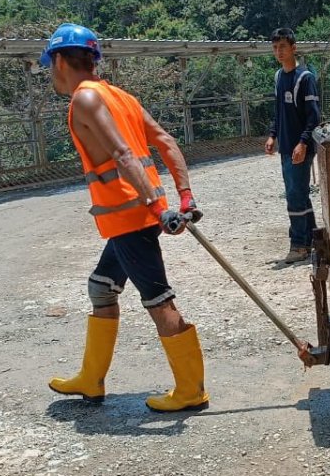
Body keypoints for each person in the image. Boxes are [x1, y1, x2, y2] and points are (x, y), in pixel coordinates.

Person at [41, 23, 209, 413]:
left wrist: (156, 206)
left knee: (159, 302)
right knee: (102, 287)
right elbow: (165, 140)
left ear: (61, 60)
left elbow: (122, 154)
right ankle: (91, 378)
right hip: (134, 217)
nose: (51, 72)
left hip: (131, 218)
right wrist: (184, 197)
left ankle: (191, 390)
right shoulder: (121, 96)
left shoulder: (84, 99)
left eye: (50, 64)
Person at [264, 28, 321, 264]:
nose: (279, 52)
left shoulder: (304, 78)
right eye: (275, 47)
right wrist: (272, 135)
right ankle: (314, 238)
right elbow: (279, 111)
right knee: (299, 194)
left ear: (293, 48)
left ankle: (299, 245)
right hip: (286, 146)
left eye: (283, 47)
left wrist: (303, 143)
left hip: (300, 147)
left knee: (294, 196)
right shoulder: (279, 76)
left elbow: (314, 116)